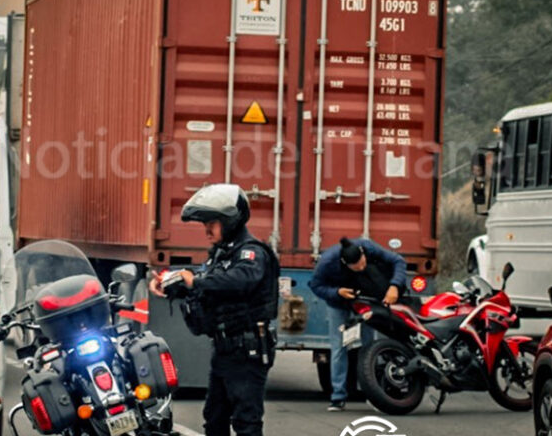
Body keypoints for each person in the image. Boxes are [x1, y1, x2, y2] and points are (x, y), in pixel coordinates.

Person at [150, 184, 279, 436]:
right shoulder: (221, 254)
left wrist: (193, 281)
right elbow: (208, 286)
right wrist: (171, 286)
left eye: (212, 222)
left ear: (231, 221)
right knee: (214, 419)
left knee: (246, 422)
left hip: (246, 351)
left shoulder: (250, 253)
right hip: (223, 350)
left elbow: (240, 281)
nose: (207, 229)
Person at [309, 236, 407, 412]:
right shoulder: (327, 262)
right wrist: (337, 292)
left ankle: (373, 394)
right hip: (339, 304)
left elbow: (398, 261)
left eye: (363, 263)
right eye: (357, 267)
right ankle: (338, 397)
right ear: (345, 264)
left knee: (369, 347)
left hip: (365, 302)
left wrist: (394, 285)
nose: (362, 267)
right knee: (339, 348)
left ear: (363, 253)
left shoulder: (368, 246)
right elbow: (315, 285)